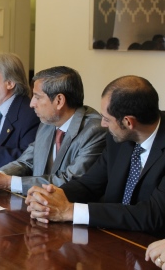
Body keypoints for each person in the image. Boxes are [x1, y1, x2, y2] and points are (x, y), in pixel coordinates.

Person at [26, 75, 165, 237]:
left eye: (106, 119)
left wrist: (71, 211)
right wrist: (51, 198)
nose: (102, 124)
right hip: (111, 239)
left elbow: (153, 214)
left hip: (151, 246)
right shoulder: (119, 138)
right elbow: (90, 183)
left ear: (128, 122)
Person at [0, 66, 107, 195]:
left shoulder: (94, 130)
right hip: (38, 206)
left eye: (37, 97)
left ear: (59, 101)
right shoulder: (48, 122)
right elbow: (26, 161)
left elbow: (70, 181)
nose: (31, 104)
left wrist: (7, 182)